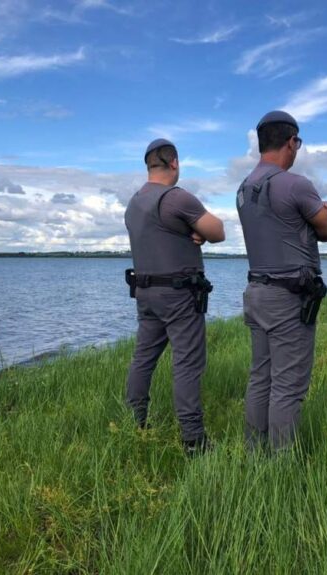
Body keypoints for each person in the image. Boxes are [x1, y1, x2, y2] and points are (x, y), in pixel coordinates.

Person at [236, 110, 327, 451]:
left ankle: (254, 454)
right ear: (291, 142)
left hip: (256, 291)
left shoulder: (244, 188)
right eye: (298, 143)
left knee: (260, 377)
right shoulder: (295, 184)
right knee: (288, 387)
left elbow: (283, 227)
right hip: (288, 298)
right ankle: (281, 467)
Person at [124, 138, 225, 455]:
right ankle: (194, 440)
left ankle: (135, 423)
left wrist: (190, 232)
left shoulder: (133, 203)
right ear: (175, 163)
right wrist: (198, 233)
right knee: (187, 363)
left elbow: (161, 236)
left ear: (148, 165)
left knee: (143, 359)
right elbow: (218, 231)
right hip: (179, 295)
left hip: (145, 292)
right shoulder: (176, 198)